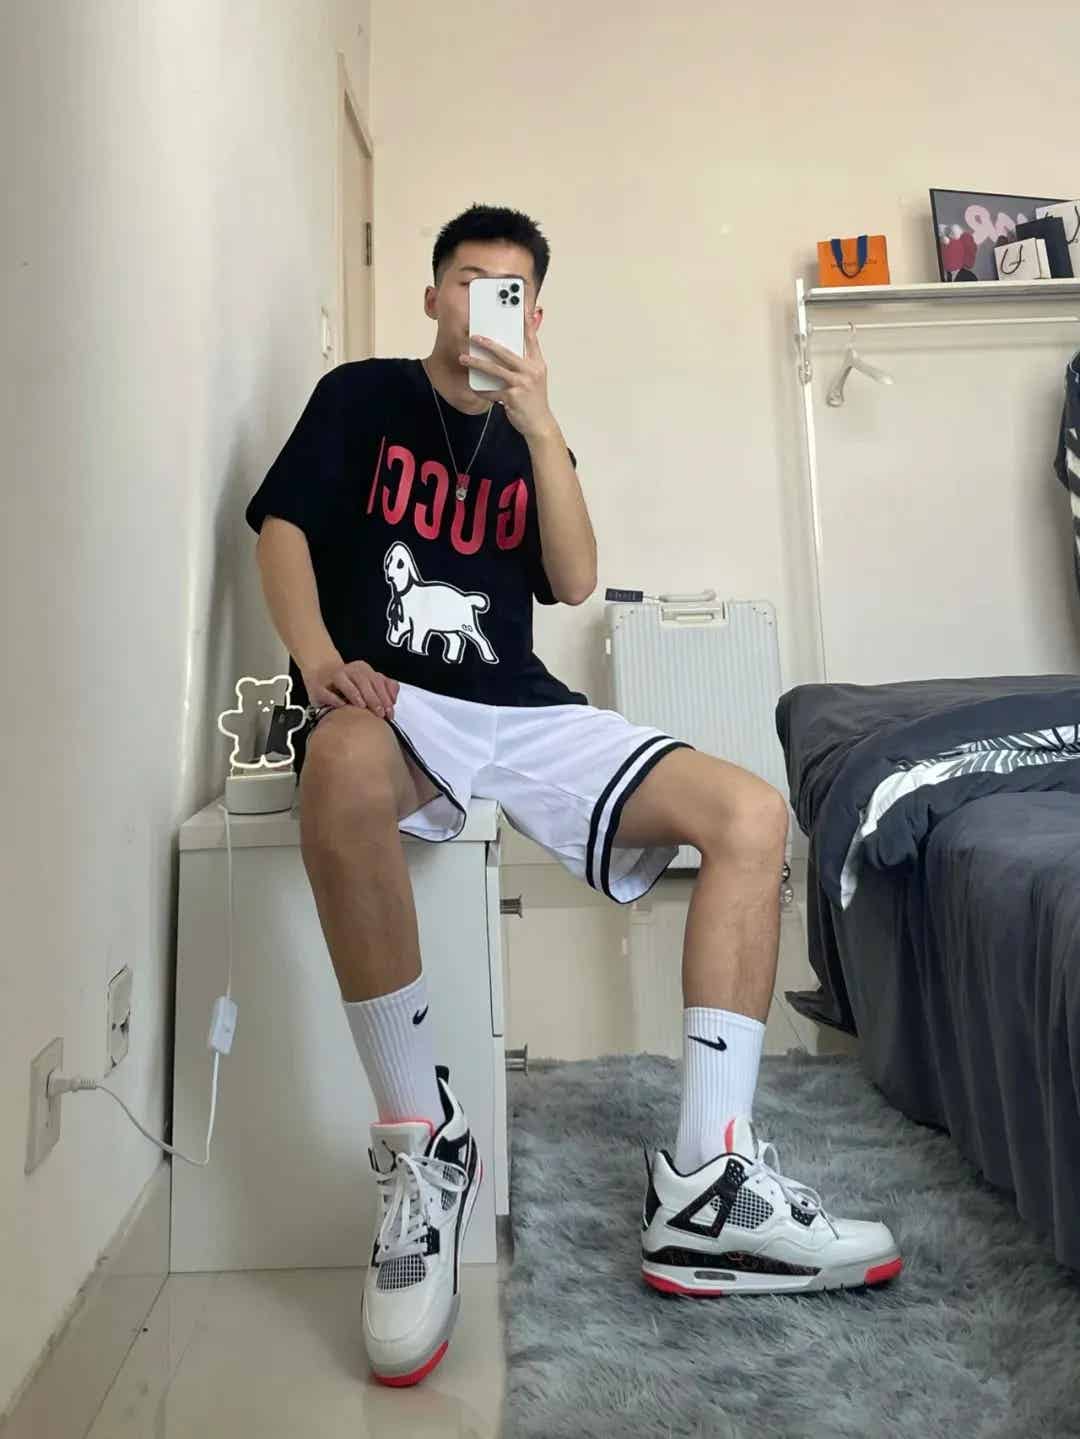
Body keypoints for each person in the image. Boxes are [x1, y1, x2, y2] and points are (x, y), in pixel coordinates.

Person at [245, 204, 902, 1387]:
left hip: (522, 705)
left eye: (509, 290)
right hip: (395, 704)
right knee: (337, 761)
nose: (483, 304)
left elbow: (576, 576)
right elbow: (282, 530)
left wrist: (541, 423)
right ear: (433, 296)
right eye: (466, 280)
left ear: (534, 316)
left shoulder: (530, 436)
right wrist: (317, 659)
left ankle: (709, 1181)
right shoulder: (361, 397)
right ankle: (423, 1144)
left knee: (750, 813)